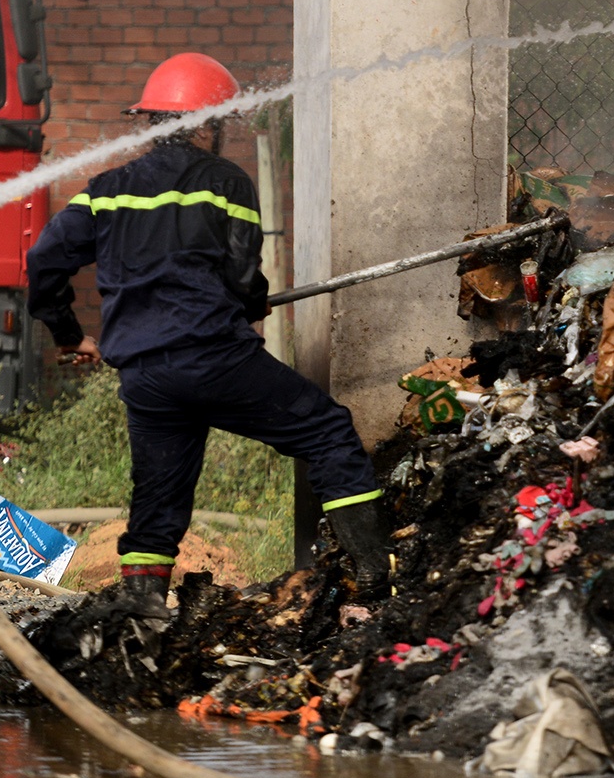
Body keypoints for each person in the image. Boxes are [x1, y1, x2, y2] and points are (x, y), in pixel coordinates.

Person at [25, 52, 389, 613]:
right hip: (213, 358)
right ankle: (375, 577)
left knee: (159, 491)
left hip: (145, 376)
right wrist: (250, 305)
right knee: (327, 431)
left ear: (153, 122)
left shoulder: (106, 189)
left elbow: (43, 261)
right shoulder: (225, 182)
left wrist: (69, 335)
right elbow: (244, 274)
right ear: (203, 126)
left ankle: (143, 604)